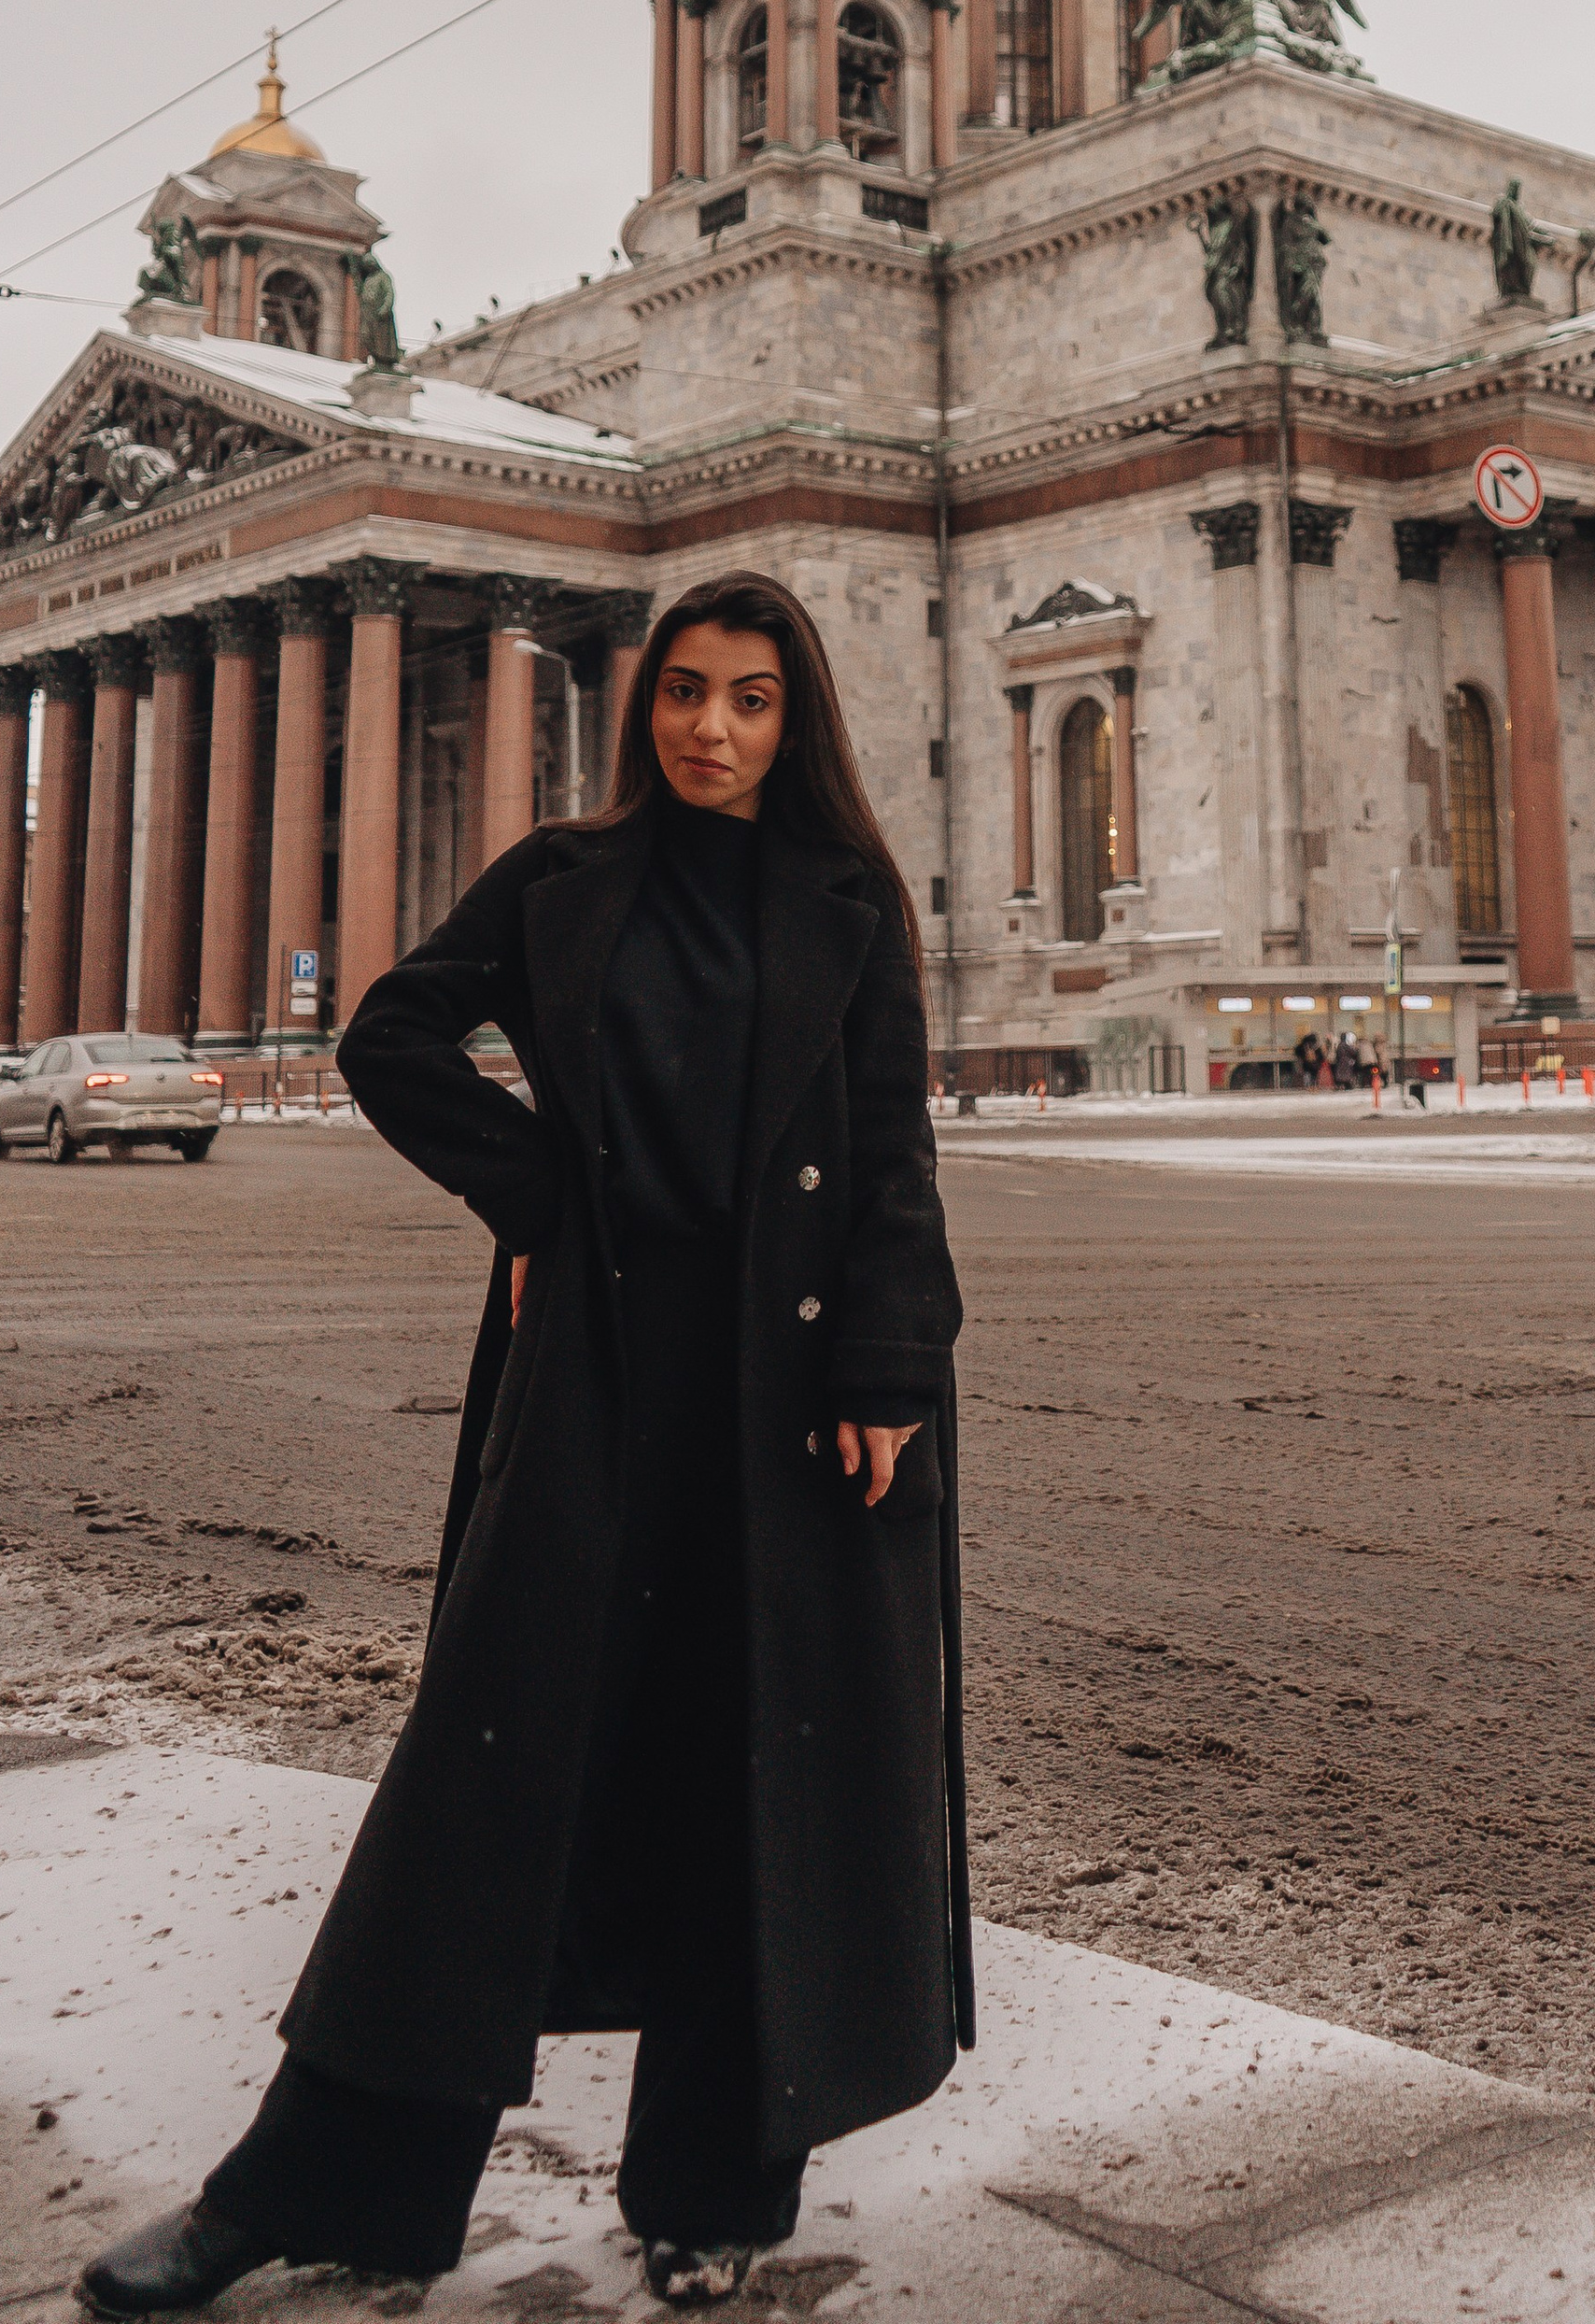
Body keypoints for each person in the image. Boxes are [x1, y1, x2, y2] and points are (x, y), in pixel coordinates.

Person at [81, 571, 967, 2314]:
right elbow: (389, 1032)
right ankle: (322, 2181)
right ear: (649, 705)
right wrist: (542, 1200)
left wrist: (890, 1366)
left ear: (799, 724)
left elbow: (891, 1164)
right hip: (602, 1385)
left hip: (791, 1412)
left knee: (754, 1788)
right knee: (476, 1793)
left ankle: (715, 2187)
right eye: (687, 692)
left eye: (753, 700)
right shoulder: (564, 882)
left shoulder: (847, 897)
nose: (711, 727)